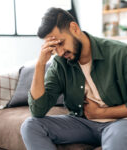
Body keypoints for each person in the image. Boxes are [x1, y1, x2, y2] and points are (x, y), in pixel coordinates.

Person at [20, 7, 127, 150]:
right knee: (30, 126)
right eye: (53, 47)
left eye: (61, 43)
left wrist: (101, 113)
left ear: (74, 28)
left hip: (119, 123)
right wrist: (41, 64)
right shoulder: (60, 63)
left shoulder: (120, 53)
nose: (59, 52)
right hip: (82, 123)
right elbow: (37, 111)